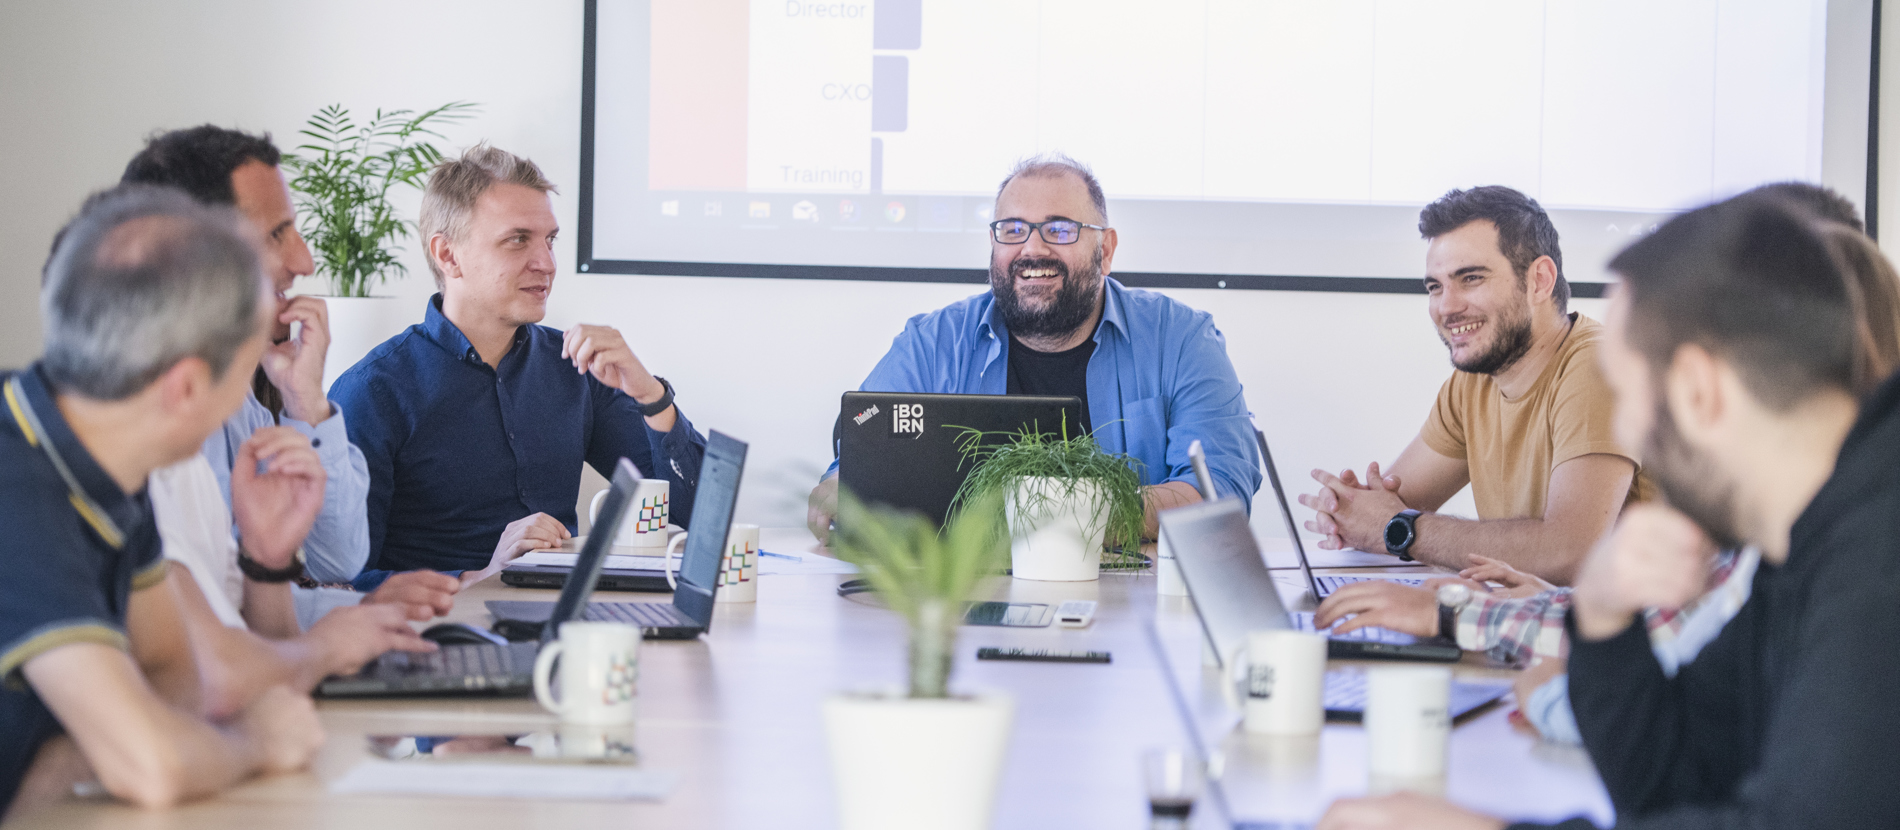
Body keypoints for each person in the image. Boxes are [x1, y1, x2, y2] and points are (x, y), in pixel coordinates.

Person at [1319, 193, 1900, 829]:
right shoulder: (1804, 543)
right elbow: (1680, 780)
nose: (1622, 428)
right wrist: (1602, 622)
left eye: (1625, 394)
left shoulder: (1876, 559)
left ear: (1699, 391)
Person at [2, 187, 323, 818]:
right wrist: (253, 743)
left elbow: (175, 681)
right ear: (185, 387)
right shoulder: (18, 486)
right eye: (247, 366)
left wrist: (77, 756)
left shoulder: (110, 458)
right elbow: (152, 764)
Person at [806, 154, 1261, 541]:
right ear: (993, 243)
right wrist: (839, 495)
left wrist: (1050, 517)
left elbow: (1219, 491)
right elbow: (848, 478)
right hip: (965, 600)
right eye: (1013, 229)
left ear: (1106, 250)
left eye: (1060, 230)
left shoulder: (1181, 339)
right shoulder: (931, 343)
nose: (1032, 249)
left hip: (1132, 603)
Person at [119, 126, 460, 622]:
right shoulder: (145, 420)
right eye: (277, 234)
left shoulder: (238, 399)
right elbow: (209, 632)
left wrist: (306, 403)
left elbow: (335, 559)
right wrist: (348, 615)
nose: (304, 260)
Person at [331, 145, 708, 589]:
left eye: (549, 240)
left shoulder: (576, 368)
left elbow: (698, 515)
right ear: (448, 255)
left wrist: (651, 396)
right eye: (517, 240)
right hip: (435, 638)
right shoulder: (372, 392)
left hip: (558, 625)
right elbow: (341, 579)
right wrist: (476, 578)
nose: (546, 264)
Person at [1300, 186, 1650, 584]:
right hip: (1526, 625)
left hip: (1630, 637)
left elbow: (1569, 552)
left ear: (1539, 280)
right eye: (1435, 286)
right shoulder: (1472, 384)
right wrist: (1351, 512)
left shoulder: (1598, 367)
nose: (1446, 307)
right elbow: (1386, 512)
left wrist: (1399, 528)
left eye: (1470, 278)